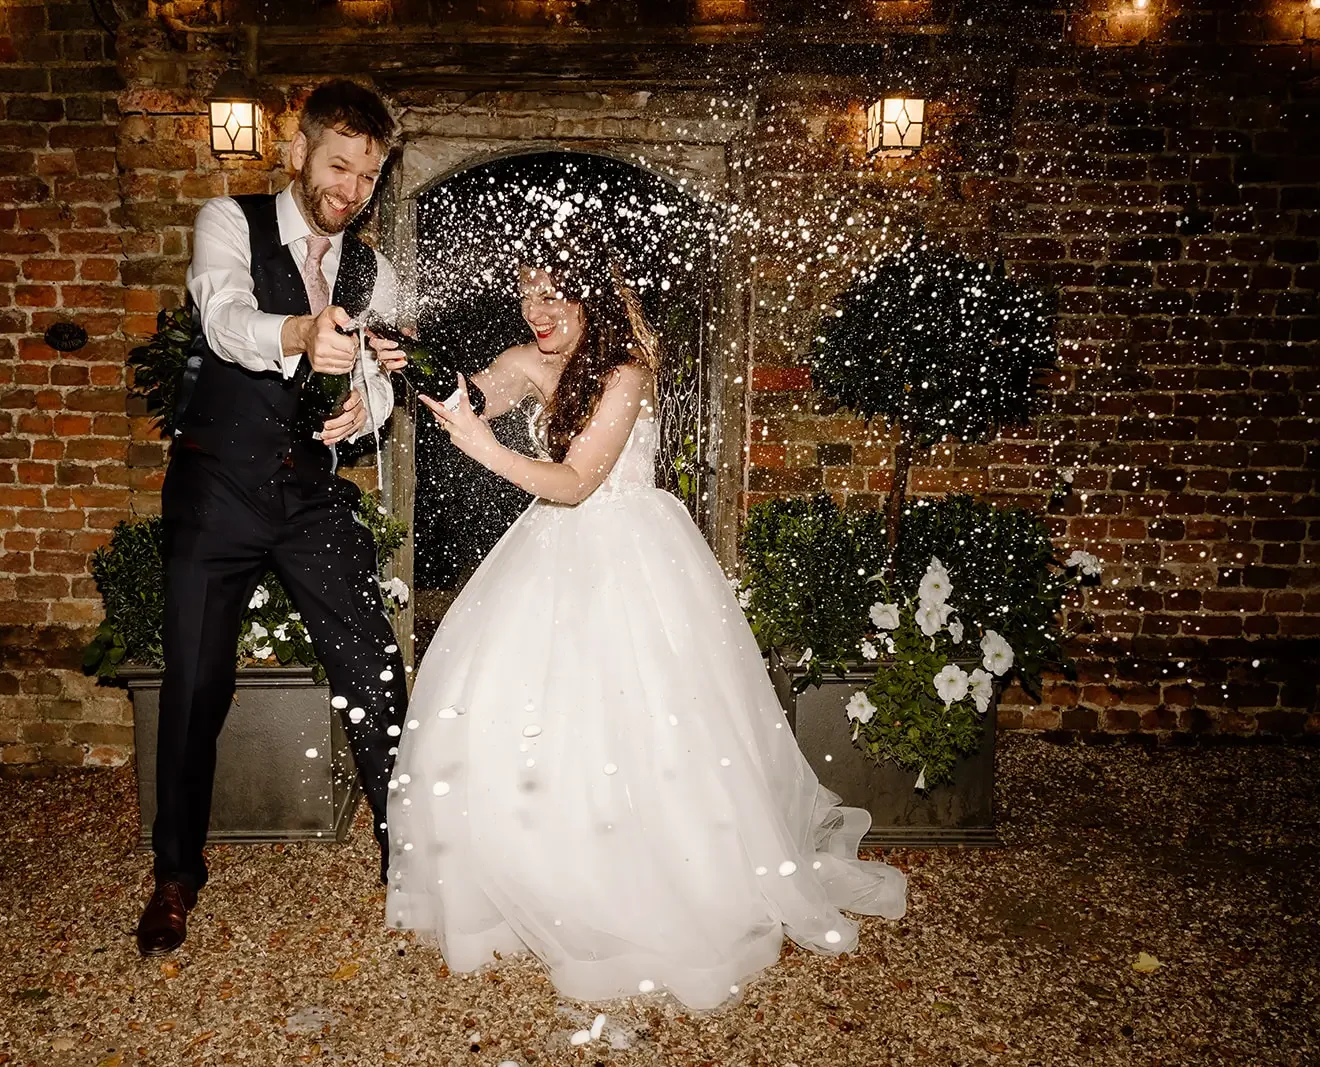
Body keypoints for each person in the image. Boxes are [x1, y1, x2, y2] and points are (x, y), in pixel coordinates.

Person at [384, 238, 908, 1010]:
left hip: (631, 555)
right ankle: (529, 874)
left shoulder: (626, 372)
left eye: (554, 294)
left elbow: (572, 482)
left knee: (641, 723)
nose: (538, 312)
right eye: (527, 294)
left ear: (592, 296)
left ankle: (646, 882)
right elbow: (473, 394)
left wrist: (483, 449)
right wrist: (409, 364)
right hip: (549, 557)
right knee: (513, 710)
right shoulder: (527, 358)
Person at [138, 80, 410, 957]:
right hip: (216, 489)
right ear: (297, 152)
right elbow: (222, 318)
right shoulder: (229, 220)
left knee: (374, 666)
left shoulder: (376, 270)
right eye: (339, 164)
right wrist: (299, 334)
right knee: (193, 687)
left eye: (368, 175)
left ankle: (405, 854)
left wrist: (367, 405)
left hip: (310, 495)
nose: (351, 189)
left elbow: (381, 377)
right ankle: (175, 874)